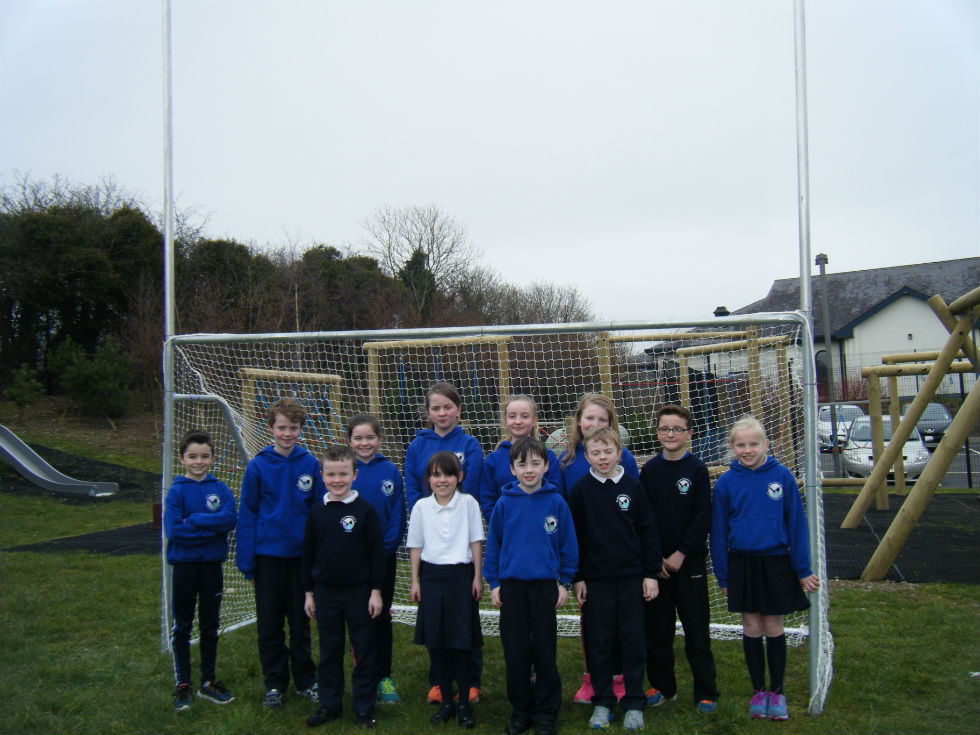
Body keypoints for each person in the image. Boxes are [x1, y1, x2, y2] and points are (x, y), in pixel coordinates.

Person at [710, 416, 820, 721]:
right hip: (741, 564)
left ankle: (778, 691)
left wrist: (802, 569)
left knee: (773, 627)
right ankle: (759, 691)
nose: (747, 450)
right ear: (732, 447)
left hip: (775, 563)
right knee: (751, 627)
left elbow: (796, 525)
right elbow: (717, 532)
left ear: (766, 444)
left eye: (753, 444)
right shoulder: (726, 483)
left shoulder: (782, 476)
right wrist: (723, 574)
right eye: (741, 445)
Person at [568, 426, 661, 732]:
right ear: (587, 456)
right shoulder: (580, 490)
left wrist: (649, 574)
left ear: (619, 453)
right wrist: (578, 577)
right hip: (596, 583)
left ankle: (634, 702)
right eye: (596, 452)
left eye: (608, 451)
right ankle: (603, 702)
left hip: (632, 580)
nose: (603, 457)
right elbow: (575, 538)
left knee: (633, 642)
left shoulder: (633, 487)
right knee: (600, 643)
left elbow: (648, 532)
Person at [484, 436, 578, 735]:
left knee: (545, 653)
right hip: (512, 588)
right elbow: (494, 546)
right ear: (512, 468)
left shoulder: (556, 502)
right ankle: (520, 712)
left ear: (546, 466)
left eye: (535, 463)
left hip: (544, 589)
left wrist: (564, 581)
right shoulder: (503, 504)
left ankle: (546, 714)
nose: (528, 469)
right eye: (522, 464)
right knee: (516, 653)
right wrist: (495, 582)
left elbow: (567, 545)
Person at [236, 397, 325, 708]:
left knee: (301, 623)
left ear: (301, 429)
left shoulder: (310, 464)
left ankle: (306, 680)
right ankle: (274, 683)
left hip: (300, 561)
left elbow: (318, 514)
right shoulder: (258, 466)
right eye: (282, 427)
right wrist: (247, 562)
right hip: (267, 560)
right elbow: (247, 514)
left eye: (294, 428)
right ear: (271, 428)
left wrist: (317, 558)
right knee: (270, 624)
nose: (287, 433)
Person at [403, 382, 485, 704]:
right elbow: (412, 486)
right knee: (435, 617)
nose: (441, 413)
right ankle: (438, 681)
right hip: (432, 548)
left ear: (458, 410)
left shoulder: (470, 444)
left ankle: (471, 681)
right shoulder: (417, 445)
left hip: (460, 547)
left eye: (447, 407)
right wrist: (424, 518)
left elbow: (473, 488)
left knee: (466, 619)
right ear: (428, 413)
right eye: (435, 408)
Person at [557, 393, 639, 704]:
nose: (594, 424)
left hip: (620, 556)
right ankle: (593, 678)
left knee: (621, 620)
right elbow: (564, 510)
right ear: (579, 421)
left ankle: (620, 679)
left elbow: (633, 503)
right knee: (590, 618)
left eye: (602, 420)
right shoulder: (566, 460)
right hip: (585, 554)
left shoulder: (625, 458)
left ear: (611, 425)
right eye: (589, 418)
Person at [639, 405, 719, 713]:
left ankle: (705, 692)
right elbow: (644, 518)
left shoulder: (697, 470)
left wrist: (681, 553)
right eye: (664, 429)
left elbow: (702, 518)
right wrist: (655, 558)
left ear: (689, 433)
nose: (670, 434)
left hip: (689, 565)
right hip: (657, 568)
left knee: (697, 630)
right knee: (657, 632)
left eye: (677, 429)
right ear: (657, 432)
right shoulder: (649, 471)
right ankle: (662, 687)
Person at [302, 444, 385, 729]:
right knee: (329, 651)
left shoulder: (366, 511)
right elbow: (309, 554)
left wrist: (375, 591)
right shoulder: (316, 512)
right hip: (326, 593)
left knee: (363, 651)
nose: (337, 480)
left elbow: (376, 554)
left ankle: (364, 707)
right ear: (322, 476)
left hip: (359, 593)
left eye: (343, 474)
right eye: (331, 474)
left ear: (354, 475)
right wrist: (309, 592)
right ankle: (330, 705)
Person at [407, 451, 484, 729]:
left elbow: (476, 541)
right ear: (428, 479)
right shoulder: (421, 508)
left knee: (461, 645)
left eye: (448, 474)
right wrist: (416, 580)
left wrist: (477, 576)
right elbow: (416, 545)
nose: (442, 480)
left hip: (461, 578)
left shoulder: (468, 504)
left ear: (459, 477)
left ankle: (464, 702)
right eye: (436, 475)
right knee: (437, 644)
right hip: (432, 578)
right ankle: (446, 703)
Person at [165, 430, 237, 711]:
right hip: (184, 568)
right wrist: (209, 526)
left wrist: (194, 520)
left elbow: (229, 519)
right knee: (182, 625)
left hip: (211, 568)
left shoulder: (220, 489)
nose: (199, 461)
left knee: (209, 624)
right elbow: (175, 531)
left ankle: (208, 681)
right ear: (182, 459)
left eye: (204, 456)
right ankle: (183, 684)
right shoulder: (176, 491)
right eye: (193, 456)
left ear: (212, 458)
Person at [346, 414, 405, 705]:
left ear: (379, 439)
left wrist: (385, 549)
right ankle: (364, 673)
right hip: (352, 560)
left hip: (383, 558)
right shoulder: (344, 471)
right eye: (358, 438)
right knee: (358, 618)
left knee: (381, 616)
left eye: (370, 437)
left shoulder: (390, 472)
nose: (364, 443)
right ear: (349, 441)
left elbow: (397, 515)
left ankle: (383, 676)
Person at [478, 395, 561, 524]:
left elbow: (555, 492)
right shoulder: (493, 460)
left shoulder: (547, 455)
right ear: (505, 421)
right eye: (512, 416)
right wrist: (499, 526)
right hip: (506, 531)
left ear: (534, 421)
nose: (518, 421)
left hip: (540, 529)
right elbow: (487, 499)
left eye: (525, 416)